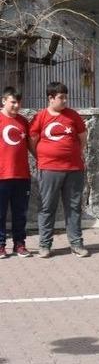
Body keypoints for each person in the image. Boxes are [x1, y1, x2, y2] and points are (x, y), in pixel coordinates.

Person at [29, 81, 88, 258]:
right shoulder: (41, 117)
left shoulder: (73, 116)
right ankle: (45, 245)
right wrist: (42, 157)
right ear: (51, 98)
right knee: (47, 207)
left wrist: (74, 153)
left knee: (73, 207)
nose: (65, 101)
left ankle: (76, 244)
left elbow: (82, 138)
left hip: (73, 169)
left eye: (66, 97)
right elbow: (32, 141)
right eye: (61, 97)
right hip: (49, 170)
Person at [0, 87, 32, 258]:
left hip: (22, 176)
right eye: (13, 101)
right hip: (1, 176)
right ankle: (0, 245)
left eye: (19, 102)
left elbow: (31, 145)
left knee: (20, 213)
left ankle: (19, 244)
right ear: (4, 100)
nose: (16, 105)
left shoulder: (23, 121)